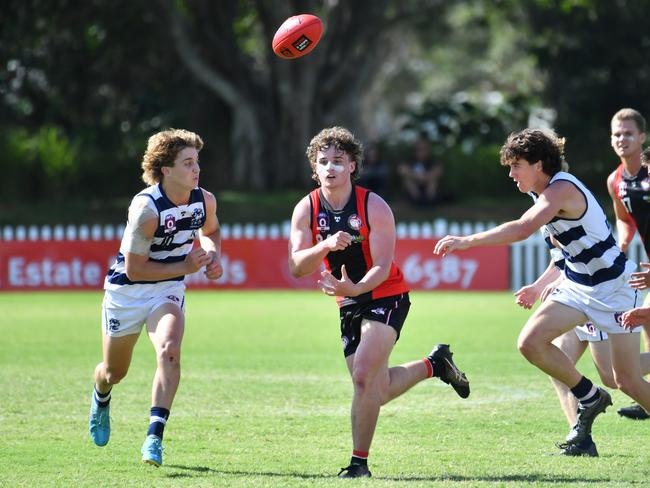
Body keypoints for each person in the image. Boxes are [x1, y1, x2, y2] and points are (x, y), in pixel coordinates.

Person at [434, 128, 650, 451]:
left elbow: (523, 228)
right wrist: (539, 287)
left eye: (515, 165)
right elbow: (562, 254)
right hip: (579, 287)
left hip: (615, 289)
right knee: (530, 343)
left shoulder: (561, 189)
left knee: (625, 380)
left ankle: (591, 402)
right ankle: (589, 399)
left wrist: (467, 241)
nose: (510, 174)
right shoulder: (540, 194)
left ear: (538, 164)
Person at [288, 126, 470, 478]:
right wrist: (324, 246)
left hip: (386, 293)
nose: (330, 168)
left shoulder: (374, 205)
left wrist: (356, 289)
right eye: (323, 162)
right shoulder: (306, 209)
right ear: (314, 169)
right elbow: (297, 266)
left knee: (362, 377)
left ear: (353, 165)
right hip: (349, 300)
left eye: (338, 161)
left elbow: (383, 268)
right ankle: (435, 364)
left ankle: (359, 464)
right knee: (377, 388)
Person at [88, 129, 223, 467]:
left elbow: (211, 231)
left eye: (197, 162)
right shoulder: (146, 209)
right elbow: (135, 270)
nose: (197, 170)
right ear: (166, 169)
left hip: (167, 289)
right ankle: (101, 393)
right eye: (188, 163)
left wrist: (211, 253)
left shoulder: (203, 199)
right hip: (127, 293)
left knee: (169, 351)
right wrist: (186, 264)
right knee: (114, 371)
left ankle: (153, 437)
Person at [606, 109, 650, 420]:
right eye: (617, 134)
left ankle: (635, 381)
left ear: (642, 138)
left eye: (628, 133)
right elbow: (624, 219)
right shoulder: (616, 180)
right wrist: (622, 243)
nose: (622, 139)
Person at [397, 132, 444, 206]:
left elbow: (438, 171)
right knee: (408, 181)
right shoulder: (410, 160)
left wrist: (425, 177)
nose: (421, 152)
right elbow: (401, 170)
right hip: (415, 187)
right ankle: (417, 201)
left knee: (433, 182)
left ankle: (429, 202)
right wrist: (416, 176)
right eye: (418, 149)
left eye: (423, 149)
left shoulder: (431, 160)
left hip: (427, 185)